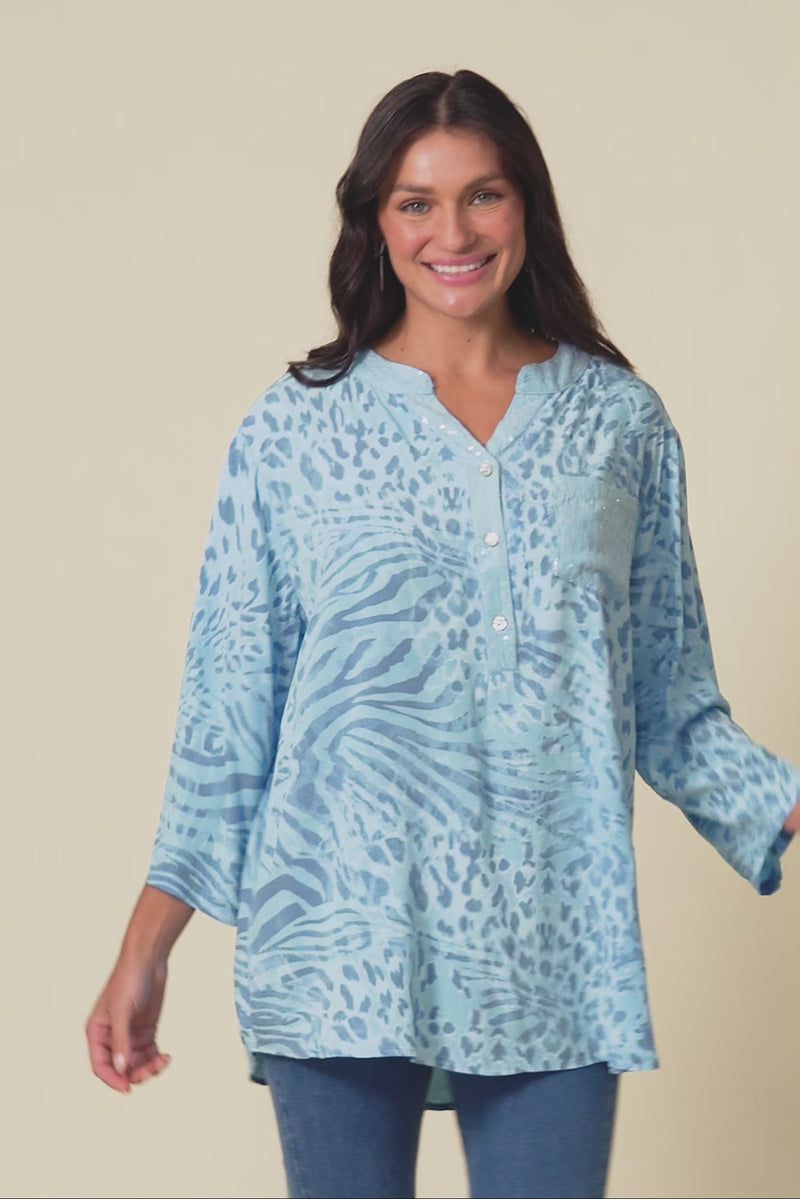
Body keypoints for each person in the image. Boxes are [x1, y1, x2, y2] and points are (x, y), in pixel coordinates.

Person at [86, 69, 800, 1199]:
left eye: (484, 195)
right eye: (416, 202)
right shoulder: (293, 431)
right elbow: (230, 711)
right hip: (338, 941)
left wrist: (780, 799)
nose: (453, 234)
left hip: (553, 944)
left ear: (527, 206)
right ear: (375, 220)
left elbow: (669, 699)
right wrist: (145, 949)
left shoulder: (619, 425)